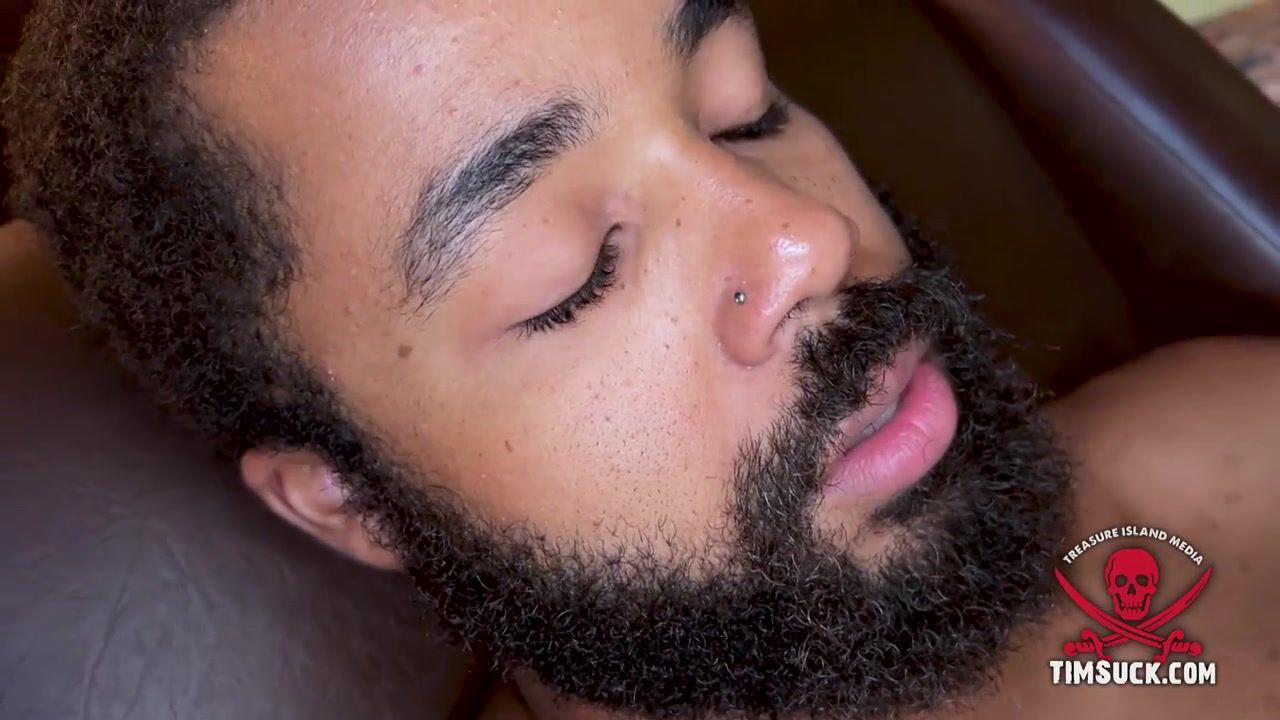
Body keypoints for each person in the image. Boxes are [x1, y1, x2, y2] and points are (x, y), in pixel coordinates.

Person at [4, 1, 1276, 718]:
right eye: (575, 277)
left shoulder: (1201, 457)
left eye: (742, 111)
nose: (810, 236)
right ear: (351, 501)